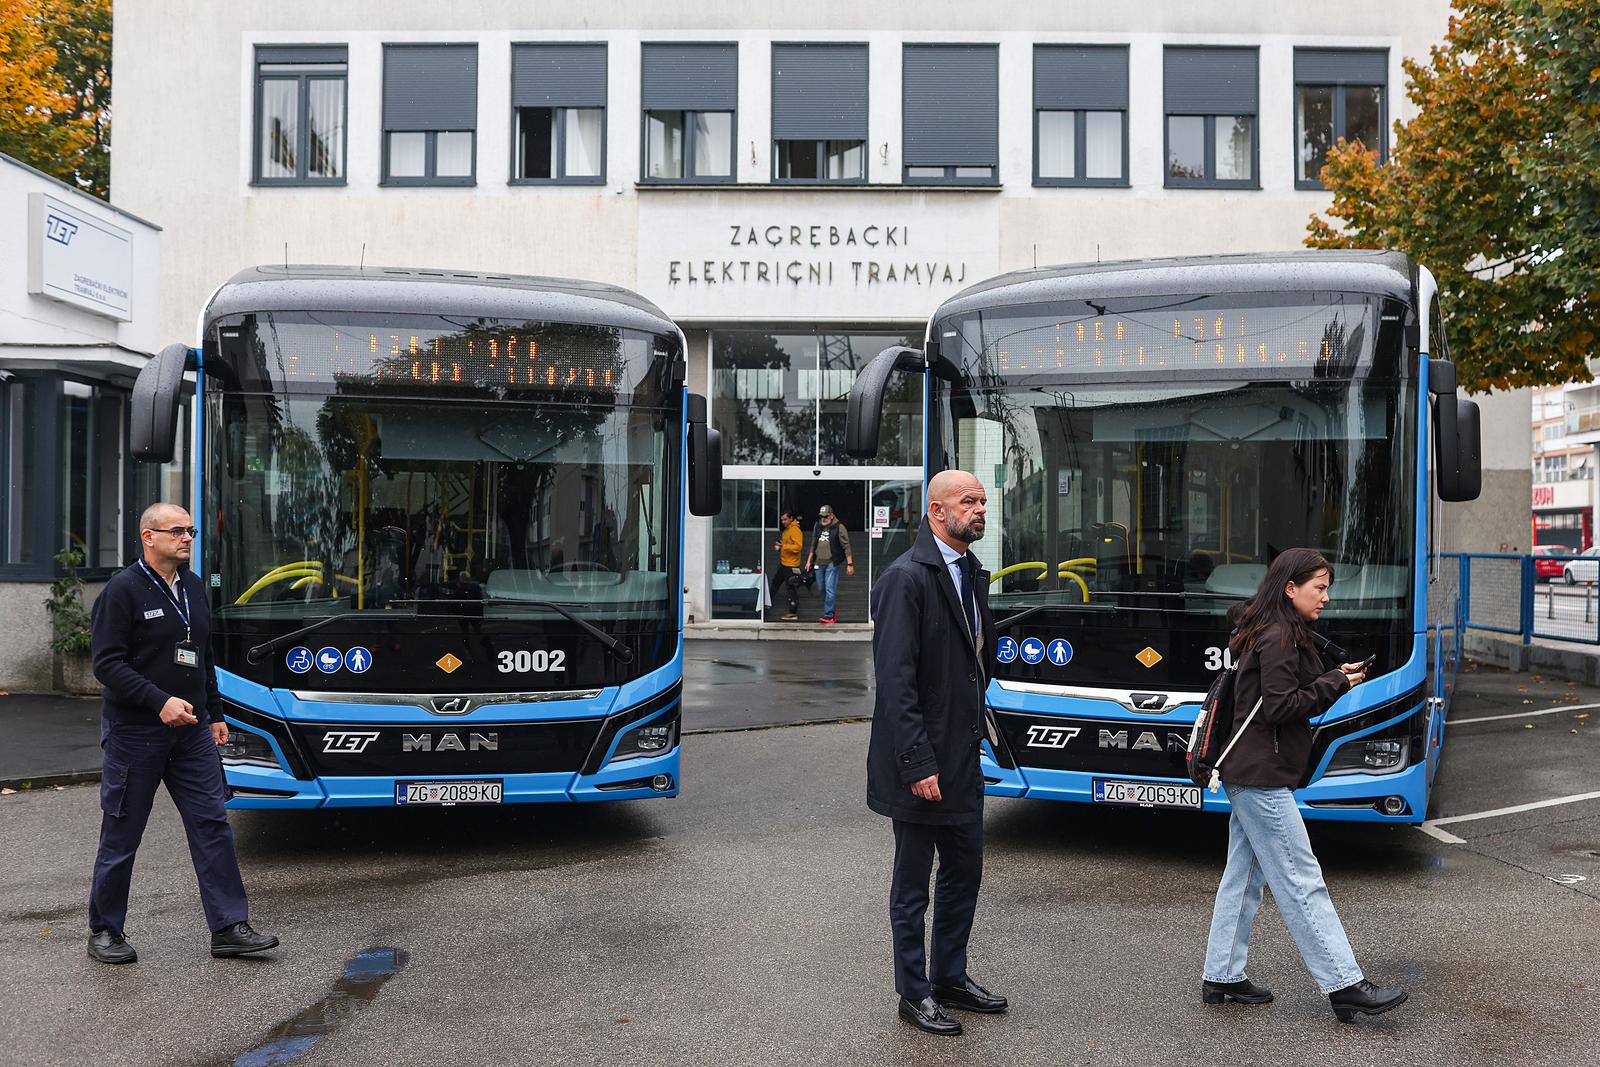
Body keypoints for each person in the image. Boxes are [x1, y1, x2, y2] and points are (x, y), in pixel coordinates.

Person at [1201, 547, 1407, 1023]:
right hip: (1261, 777)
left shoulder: (1273, 630)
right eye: (1320, 587)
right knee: (1301, 878)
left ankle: (1222, 974)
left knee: (1245, 874)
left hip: (1248, 772)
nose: (1327, 597)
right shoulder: (1278, 636)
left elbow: (1294, 689)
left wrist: (1339, 677)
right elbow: (1281, 706)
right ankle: (1345, 984)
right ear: (1290, 588)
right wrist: (1336, 684)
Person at [86, 503, 279, 965]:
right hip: (137, 734)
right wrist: (159, 701)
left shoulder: (192, 587)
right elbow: (107, 665)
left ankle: (229, 927)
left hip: (192, 733)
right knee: (122, 833)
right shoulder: (122, 591)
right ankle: (106, 930)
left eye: (190, 530)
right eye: (177, 531)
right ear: (148, 537)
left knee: (213, 825)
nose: (187, 538)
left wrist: (215, 712)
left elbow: (202, 655)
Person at [866, 470, 1004, 1037]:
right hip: (919, 765)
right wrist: (918, 763)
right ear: (936, 511)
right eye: (968, 501)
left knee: (964, 874)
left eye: (982, 501)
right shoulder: (906, 578)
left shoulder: (972, 573)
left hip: (962, 759)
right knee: (913, 884)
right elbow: (895, 685)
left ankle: (950, 977)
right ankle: (913, 992)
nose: (979, 509)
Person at [804, 504, 854, 625]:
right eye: (822, 516)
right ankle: (831, 608)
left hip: (832, 562)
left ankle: (829, 614)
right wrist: (809, 560)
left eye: (826, 516)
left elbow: (846, 546)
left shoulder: (839, 527)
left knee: (830, 589)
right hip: (818, 562)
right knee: (821, 587)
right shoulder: (818, 526)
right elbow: (813, 544)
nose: (823, 518)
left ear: (831, 516)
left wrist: (850, 564)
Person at [770, 510, 804, 621]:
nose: (782, 522)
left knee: (791, 588)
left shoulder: (795, 530)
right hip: (784, 563)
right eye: (781, 520)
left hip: (792, 565)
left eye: (785, 519)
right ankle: (765, 603)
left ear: (791, 518)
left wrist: (784, 546)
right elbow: (787, 546)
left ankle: (793, 612)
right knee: (775, 583)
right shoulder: (786, 531)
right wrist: (780, 547)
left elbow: (798, 547)